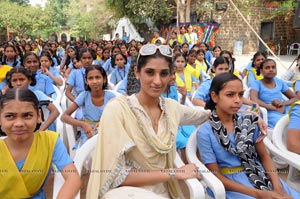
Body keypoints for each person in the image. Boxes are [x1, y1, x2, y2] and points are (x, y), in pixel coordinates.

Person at [87, 44, 211, 198]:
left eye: (164, 73)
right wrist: (174, 172)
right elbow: (116, 176)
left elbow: (203, 116)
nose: (157, 81)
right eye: (150, 72)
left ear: (171, 75)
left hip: (162, 191)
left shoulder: (171, 108)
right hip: (125, 193)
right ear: (137, 72)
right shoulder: (118, 110)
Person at [197, 72, 300, 199]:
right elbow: (215, 174)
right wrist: (259, 194)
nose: (237, 100)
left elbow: (264, 157)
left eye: (240, 95)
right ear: (214, 96)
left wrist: (278, 186)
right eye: (230, 95)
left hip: (259, 173)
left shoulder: (249, 122)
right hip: (232, 185)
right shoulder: (205, 132)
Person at [0, 87, 81, 198]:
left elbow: (73, 178)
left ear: (38, 116)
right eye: (10, 116)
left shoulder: (49, 141)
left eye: (27, 115)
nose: (19, 123)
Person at [61, 65, 116, 149]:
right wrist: (83, 124)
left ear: (104, 79)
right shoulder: (84, 96)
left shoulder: (111, 96)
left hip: (108, 131)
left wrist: (104, 123)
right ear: (86, 81)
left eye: (98, 77)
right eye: (90, 78)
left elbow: (118, 116)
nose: (94, 81)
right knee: (89, 152)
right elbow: (64, 117)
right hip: (88, 132)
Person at [6, 67, 59, 131]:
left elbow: (55, 112)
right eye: (14, 80)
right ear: (10, 83)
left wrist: (41, 130)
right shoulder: (7, 99)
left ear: (29, 80)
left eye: (22, 79)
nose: (18, 83)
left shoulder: (38, 95)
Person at [250, 59, 298, 128]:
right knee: (286, 124)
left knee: (296, 118)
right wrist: (271, 107)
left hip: (283, 107)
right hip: (268, 112)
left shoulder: (279, 82)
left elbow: (295, 98)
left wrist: (283, 103)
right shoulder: (257, 83)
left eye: (273, 67)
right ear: (261, 71)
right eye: (267, 68)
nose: (271, 69)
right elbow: (253, 100)